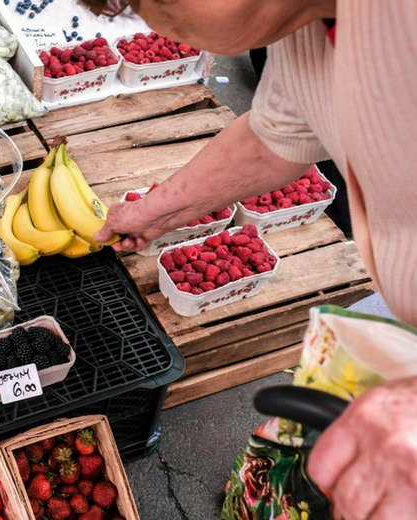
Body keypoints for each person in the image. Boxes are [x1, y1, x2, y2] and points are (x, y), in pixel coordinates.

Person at [80, 0, 417, 518]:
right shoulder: (302, 25)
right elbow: (277, 135)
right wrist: (154, 212)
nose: (152, 23)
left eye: (155, 0)